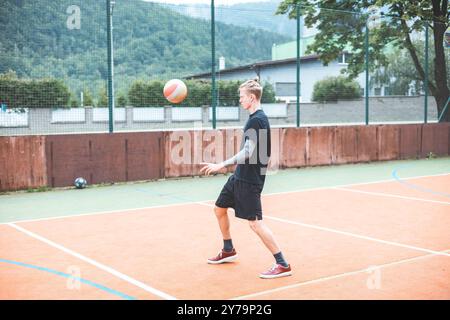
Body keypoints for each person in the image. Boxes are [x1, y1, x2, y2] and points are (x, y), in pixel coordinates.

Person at [200, 78, 292, 279]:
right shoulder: (255, 118)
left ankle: (282, 264)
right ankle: (228, 249)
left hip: (250, 180)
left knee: (255, 223)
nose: (240, 100)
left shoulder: (257, 120)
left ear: (251, 98)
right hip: (239, 176)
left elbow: (248, 152)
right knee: (219, 209)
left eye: (242, 97)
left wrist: (221, 165)